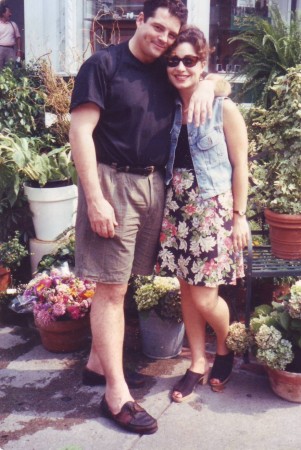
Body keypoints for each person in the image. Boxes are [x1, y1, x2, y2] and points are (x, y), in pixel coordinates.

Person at [69, 0, 230, 435]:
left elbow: (207, 77)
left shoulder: (164, 68)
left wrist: (211, 86)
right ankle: (116, 394)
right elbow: (80, 131)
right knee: (111, 288)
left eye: (169, 33)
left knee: (122, 283)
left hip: (152, 185)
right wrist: (96, 198)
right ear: (140, 20)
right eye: (156, 27)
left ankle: (97, 365)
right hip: (113, 184)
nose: (162, 38)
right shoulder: (103, 64)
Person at [156, 25, 249, 402]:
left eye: (189, 60)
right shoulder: (167, 104)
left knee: (205, 297)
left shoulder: (222, 108)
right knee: (186, 290)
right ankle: (196, 362)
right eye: (173, 60)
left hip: (211, 206)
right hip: (176, 207)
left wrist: (240, 214)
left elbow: (241, 165)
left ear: (202, 62)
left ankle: (225, 348)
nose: (180, 67)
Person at [0, 4, 21, 70]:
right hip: (0, 49)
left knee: (12, 69)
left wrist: (19, 50)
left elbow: (18, 38)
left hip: (11, 50)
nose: (10, 14)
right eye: (8, 12)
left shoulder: (13, 24)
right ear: (3, 13)